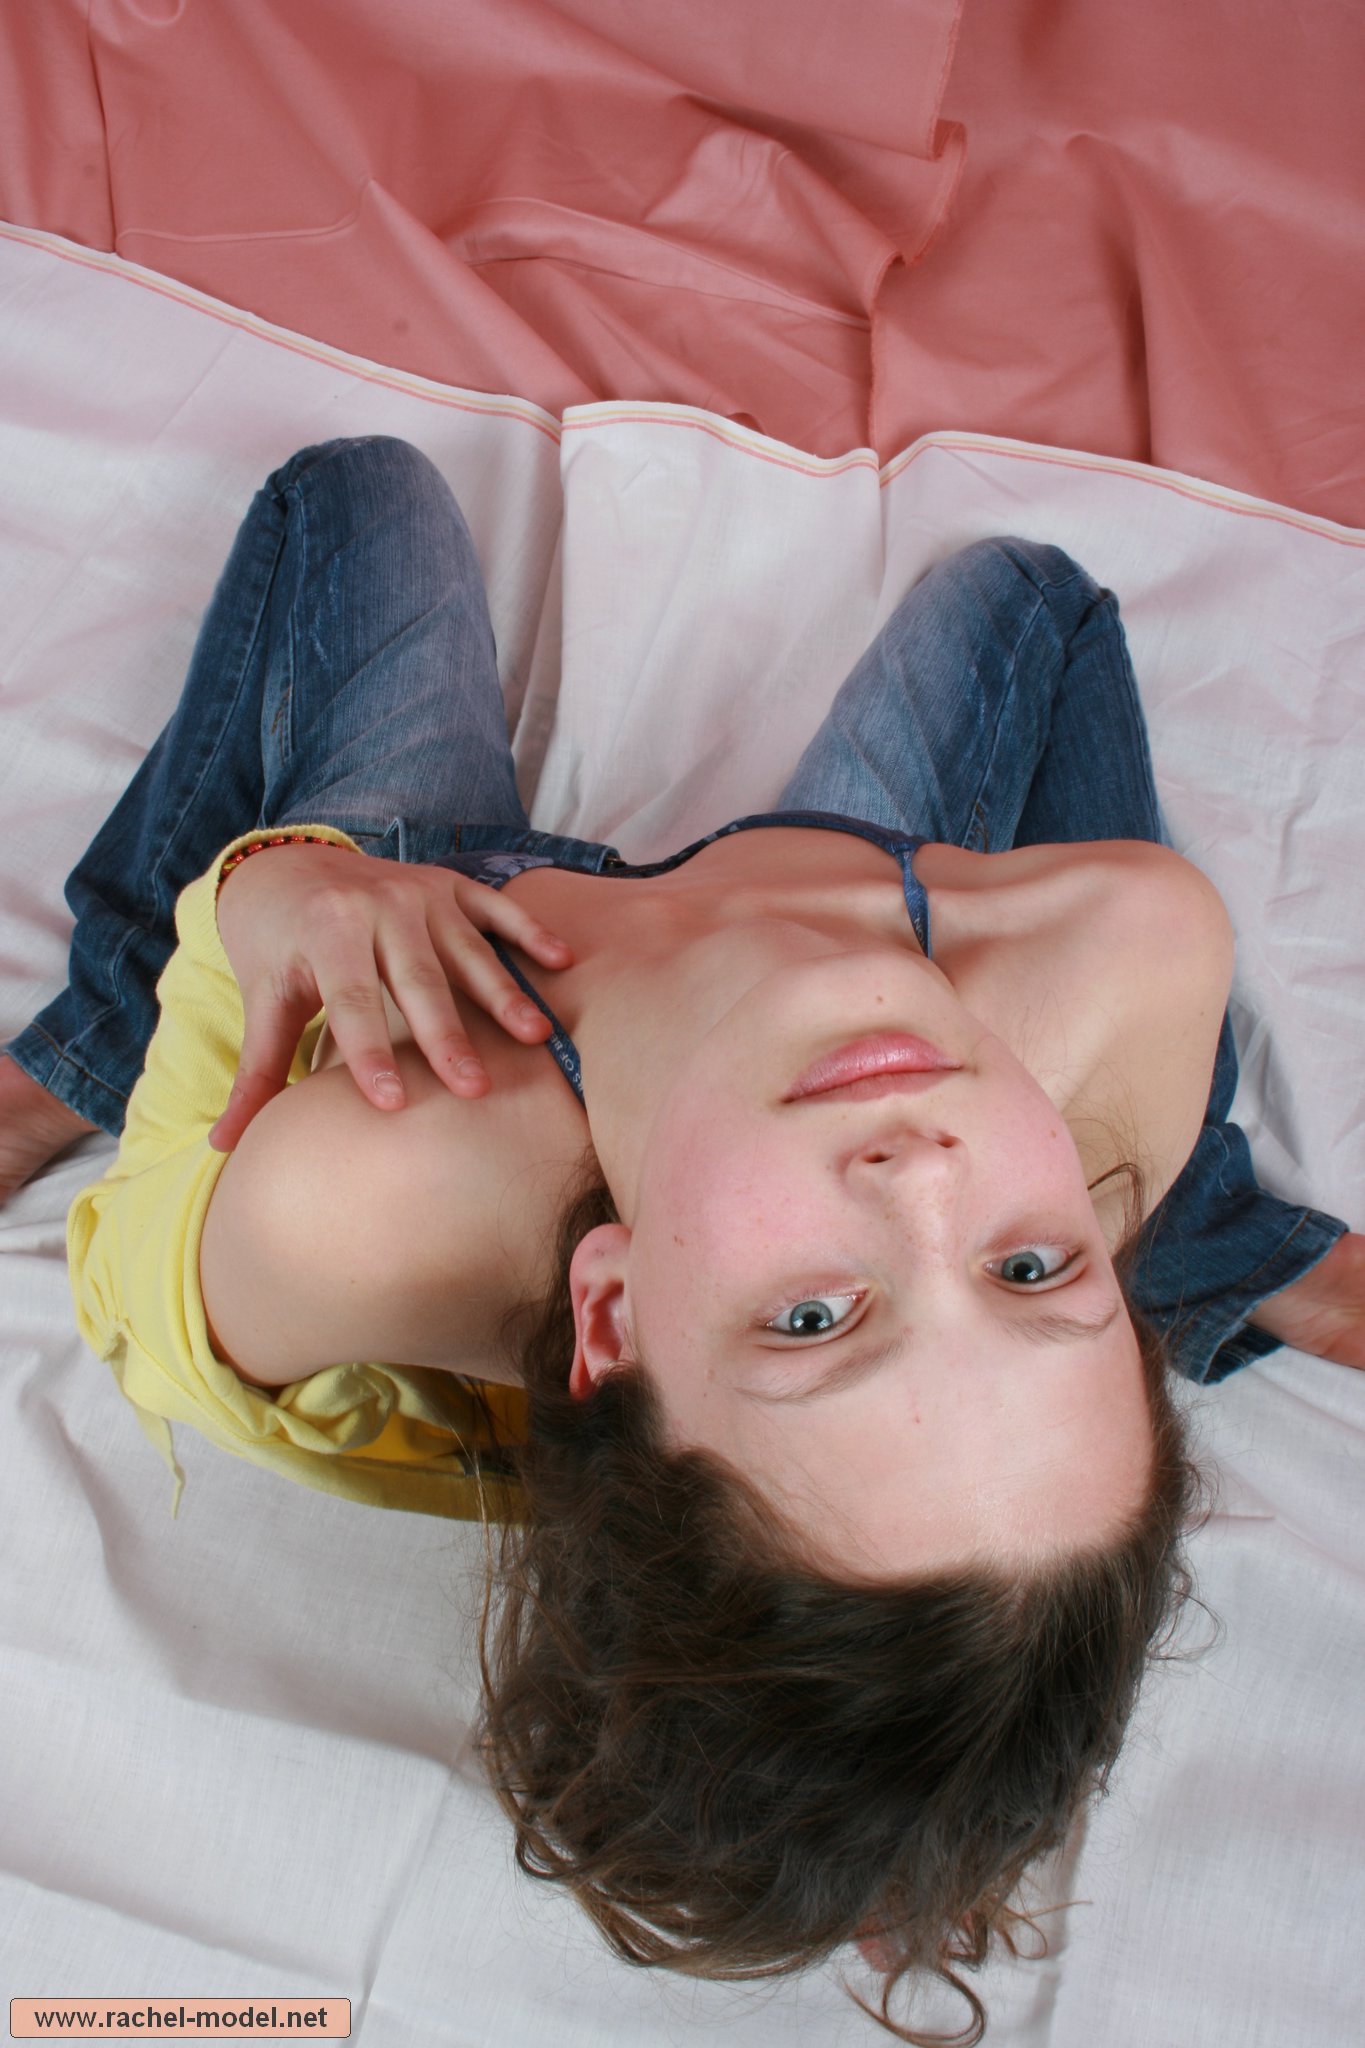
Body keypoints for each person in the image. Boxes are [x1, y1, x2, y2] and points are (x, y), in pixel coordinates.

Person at [2, 437, 1359, 2045]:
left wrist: (282, 890)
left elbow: (147, 1239)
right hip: (816, 930)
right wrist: (1151, 1201)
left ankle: (71, 1044)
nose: (922, 1171)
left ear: (613, 1315)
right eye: (1030, 1271)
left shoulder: (377, 1181)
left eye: (815, 1320)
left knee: (354, 490)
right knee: (1031, 596)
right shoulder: (1109, 943)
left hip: (451, 937)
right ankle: (1210, 1242)